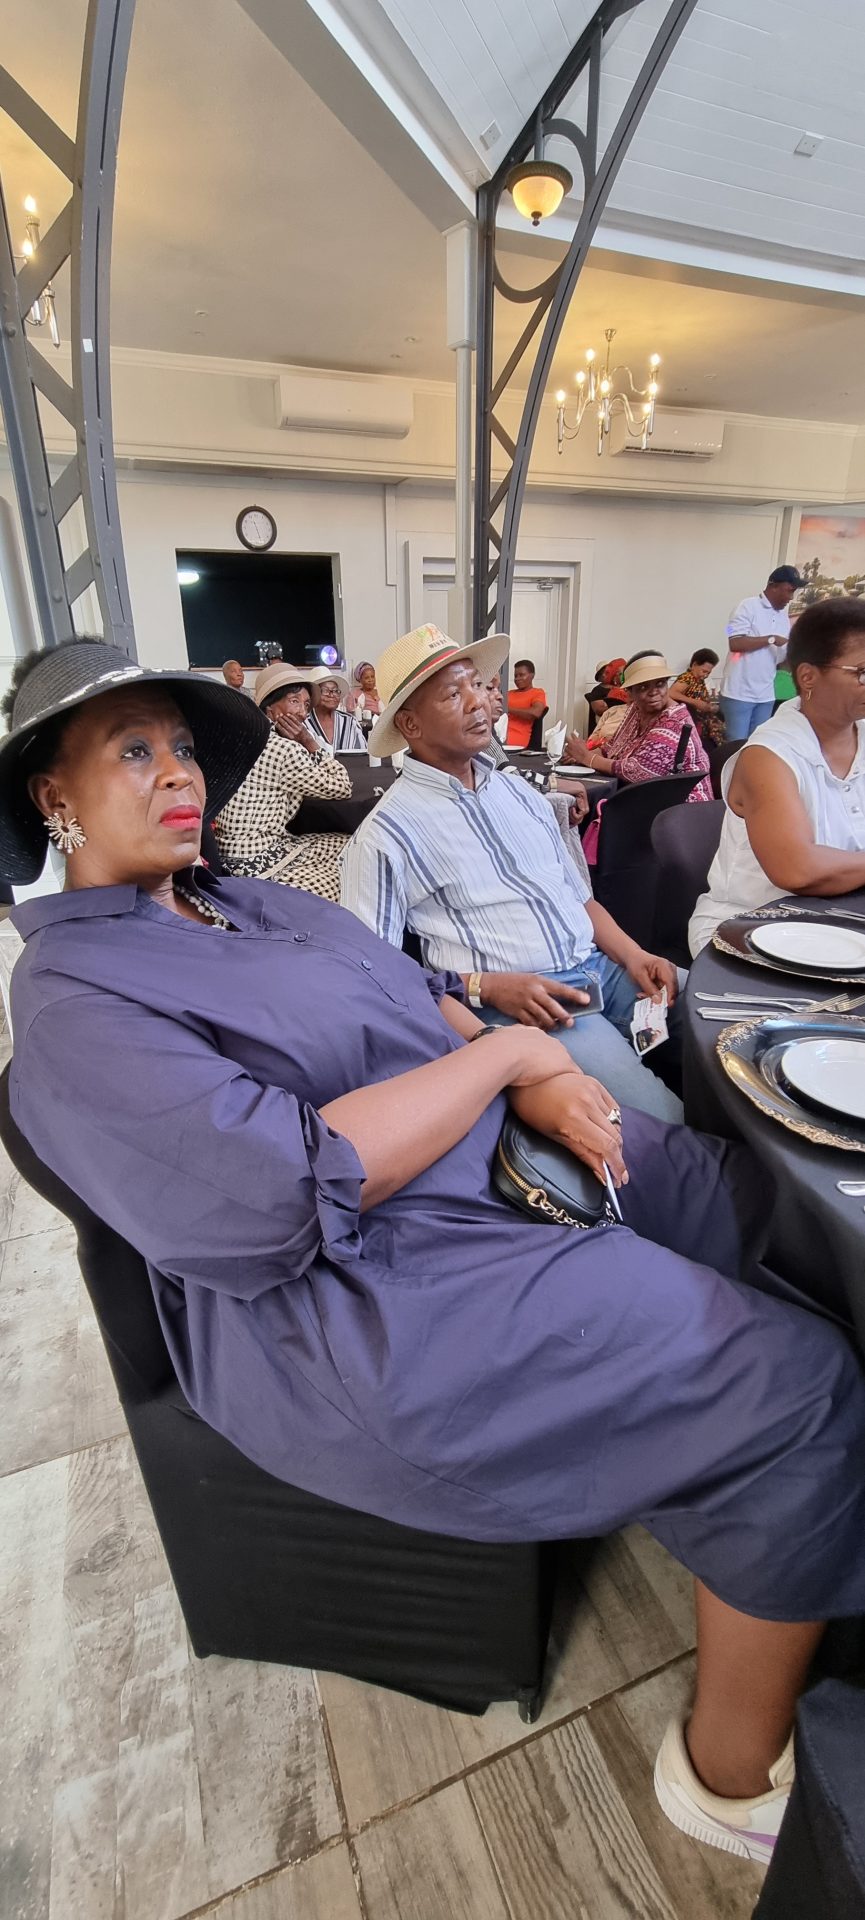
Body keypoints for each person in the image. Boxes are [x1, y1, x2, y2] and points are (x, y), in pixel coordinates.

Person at [5, 636, 865, 1868]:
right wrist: (513, 1059)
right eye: (133, 751)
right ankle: (724, 1773)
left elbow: (424, 1000)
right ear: (53, 794)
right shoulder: (74, 1000)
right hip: (368, 1290)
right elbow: (280, 1190)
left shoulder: (252, 901)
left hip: (496, 1156)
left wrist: (534, 1068)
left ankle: (777, 1521)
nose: (179, 772)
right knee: (790, 1382)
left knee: (776, 1216)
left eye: (183, 745)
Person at [340, 625, 684, 1122]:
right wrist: (487, 988)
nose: (478, 702)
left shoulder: (520, 794)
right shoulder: (387, 835)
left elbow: (578, 897)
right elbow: (375, 975)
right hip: (531, 1006)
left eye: (478, 685)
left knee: (726, 1028)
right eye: (453, 694)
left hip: (603, 969)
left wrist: (635, 955)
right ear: (410, 724)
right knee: (660, 1119)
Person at [690, 596, 865, 952]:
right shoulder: (769, 756)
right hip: (754, 926)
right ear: (808, 677)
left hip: (841, 917)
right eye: (862, 672)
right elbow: (797, 869)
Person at [213, 662, 351, 900]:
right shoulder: (285, 749)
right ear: (269, 709)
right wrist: (309, 742)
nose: (303, 713)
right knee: (350, 864)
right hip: (259, 861)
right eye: (294, 701)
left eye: (306, 705)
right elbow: (343, 787)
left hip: (224, 856)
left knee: (342, 844)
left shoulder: (238, 738)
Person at [563, 652, 713, 802]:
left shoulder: (674, 721)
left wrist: (587, 757)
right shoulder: (636, 709)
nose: (654, 692)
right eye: (643, 687)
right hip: (646, 798)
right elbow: (613, 747)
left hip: (681, 807)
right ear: (629, 692)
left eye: (660, 684)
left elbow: (638, 772)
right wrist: (580, 754)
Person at [719, 565, 804, 741]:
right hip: (738, 692)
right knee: (736, 746)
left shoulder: (783, 616)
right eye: (789, 591)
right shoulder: (746, 606)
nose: (791, 597)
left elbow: (779, 658)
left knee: (758, 743)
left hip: (765, 694)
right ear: (774, 585)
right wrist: (771, 639)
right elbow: (734, 643)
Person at [670, 649, 725, 748]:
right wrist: (696, 703)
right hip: (692, 720)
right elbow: (671, 693)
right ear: (694, 665)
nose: (705, 675)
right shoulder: (687, 678)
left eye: (708, 673)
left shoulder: (699, 680)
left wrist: (710, 706)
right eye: (704, 671)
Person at [307, 670, 367, 753]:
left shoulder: (350, 721)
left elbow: (363, 753)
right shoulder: (304, 723)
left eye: (336, 691)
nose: (332, 695)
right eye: (325, 690)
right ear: (313, 695)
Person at [506, 658, 548, 749]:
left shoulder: (537, 693)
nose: (517, 679)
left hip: (515, 740)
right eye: (515, 676)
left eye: (521, 675)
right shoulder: (508, 693)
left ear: (532, 675)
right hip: (497, 735)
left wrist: (507, 709)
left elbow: (536, 713)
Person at [353, 662, 383, 732]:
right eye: (367, 678)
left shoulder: (381, 692)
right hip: (368, 727)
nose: (370, 680)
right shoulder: (356, 694)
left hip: (383, 723)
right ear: (360, 680)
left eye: (372, 676)